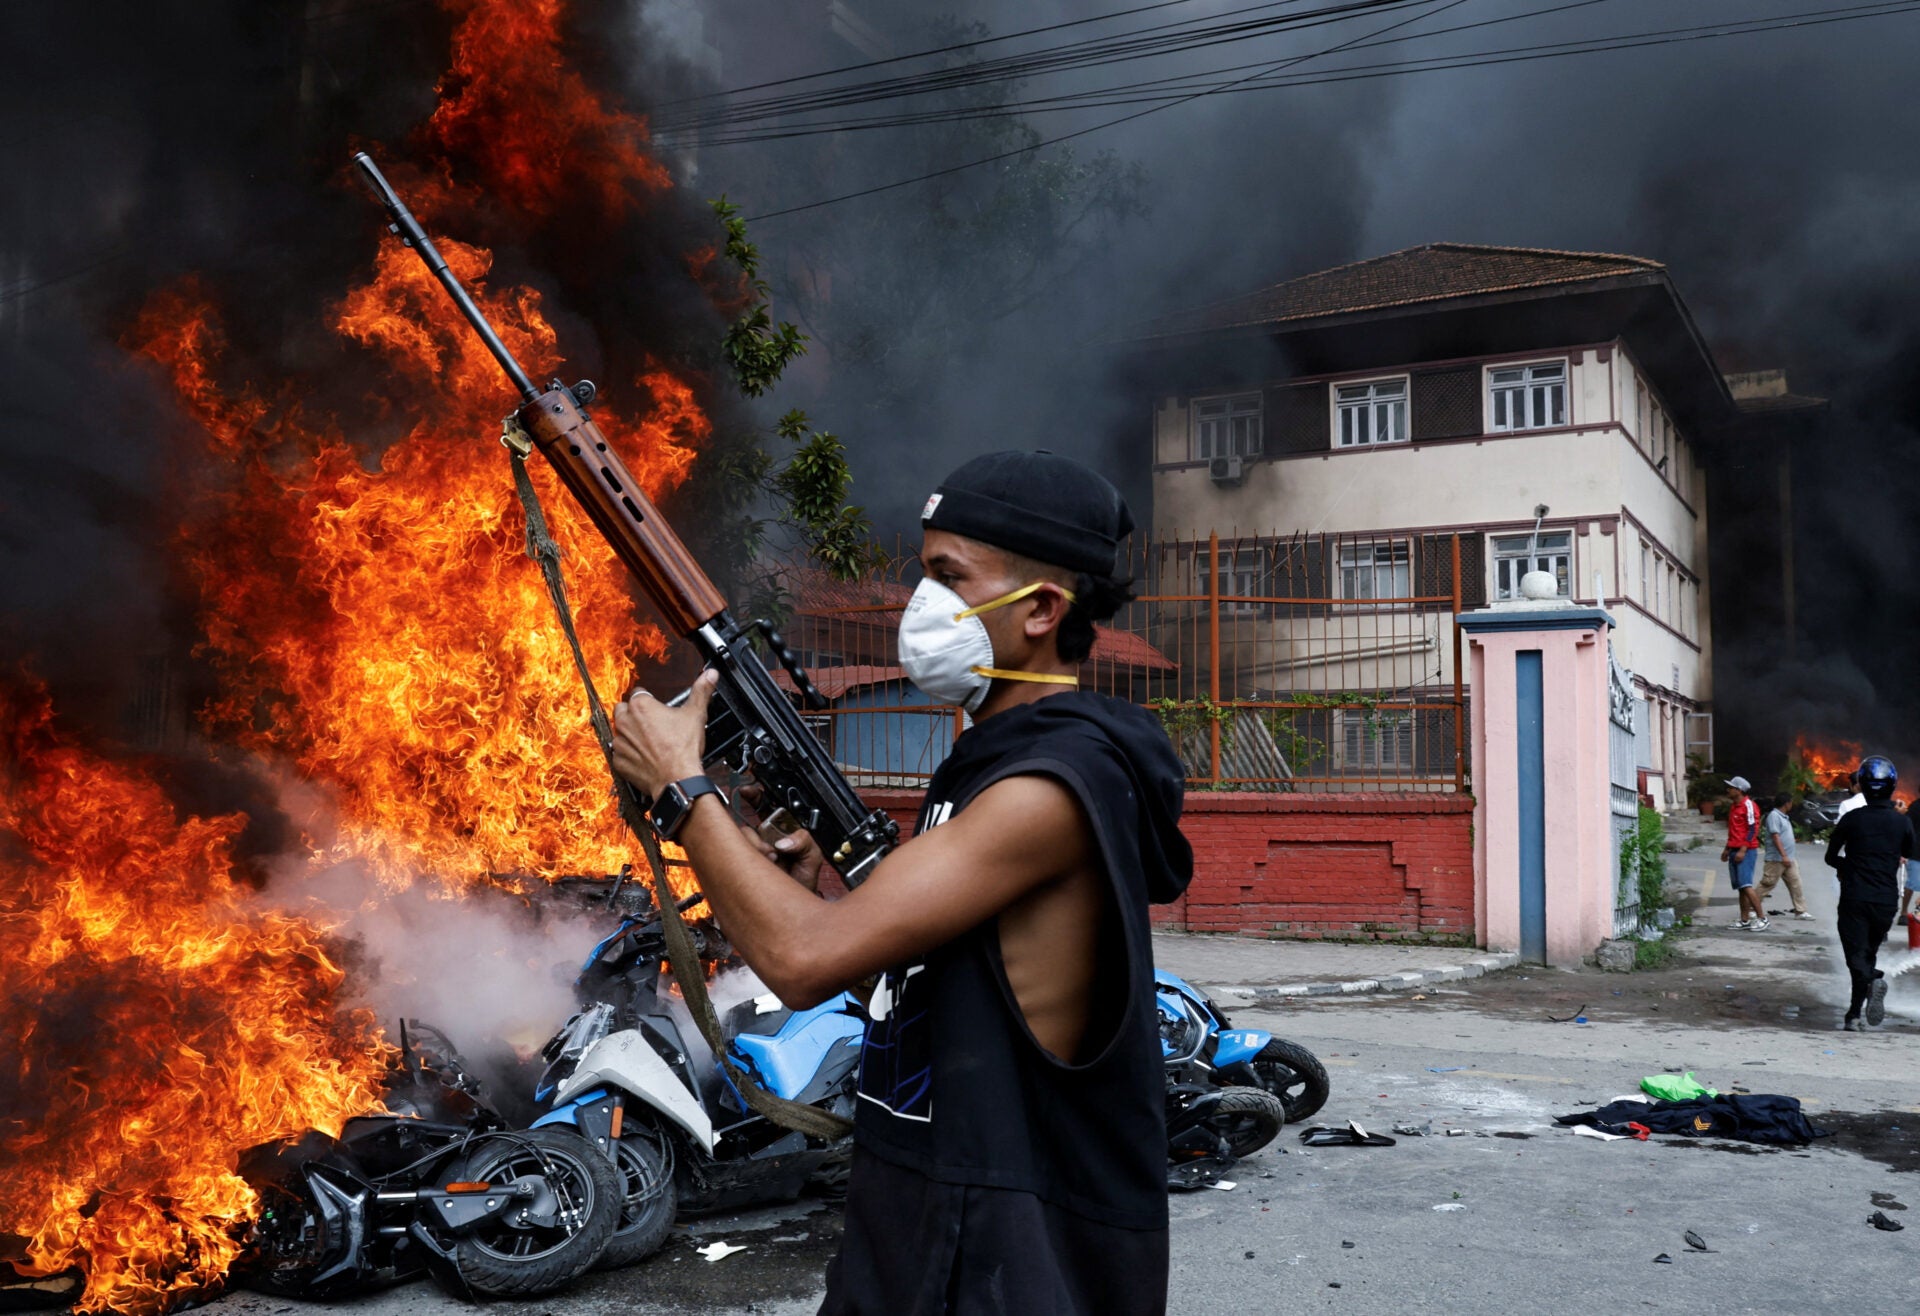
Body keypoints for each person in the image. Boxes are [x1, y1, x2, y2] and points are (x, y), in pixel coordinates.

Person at [610, 450, 1193, 1315]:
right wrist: (822, 887)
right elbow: (914, 980)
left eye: (949, 577)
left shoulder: (1051, 785)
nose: (923, 604)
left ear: (1040, 610)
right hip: (924, 1229)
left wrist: (683, 790)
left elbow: (805, 961)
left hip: (1007, 1264)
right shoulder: (987, 764)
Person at [1822, 755, 1913, 1030]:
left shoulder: (1851, 819)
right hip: (1886, 902)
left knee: (1856, 958)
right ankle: (1853, 1014)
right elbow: (1907, 853)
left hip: (1855, 898)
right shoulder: (1902, 822)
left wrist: (1846, 866)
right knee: (1867, 953)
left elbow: (1830, 856)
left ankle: (1874, 979)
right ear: (1893, 786)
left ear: (1861, 784)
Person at [1722, 776, 1768, 930]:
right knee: (1741, 887)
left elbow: (1753, 828)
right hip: (1735, 849)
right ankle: (1744, 920)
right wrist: (1727, 849)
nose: (1728, 789)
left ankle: (1762, 918)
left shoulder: (1748, 805)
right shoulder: (1734, 806)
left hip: (1745, 851)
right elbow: (1734, 831)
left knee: (1746, 885)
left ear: (1739, 790)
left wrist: (1742, 849)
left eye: (1731, 787)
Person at [1757, 792, 1811, 919]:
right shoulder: (1774, 816)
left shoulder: (1783, 817)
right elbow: (1775, 837)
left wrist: (1787, 856)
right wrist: (1784, 855)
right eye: (1791, 802)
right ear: (1787, 803)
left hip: (1789, 858)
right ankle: (1750, 907)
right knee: (1767, 884)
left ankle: (1801, 911)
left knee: (1796, 883)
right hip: (1777, 859)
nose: (1792, 804)